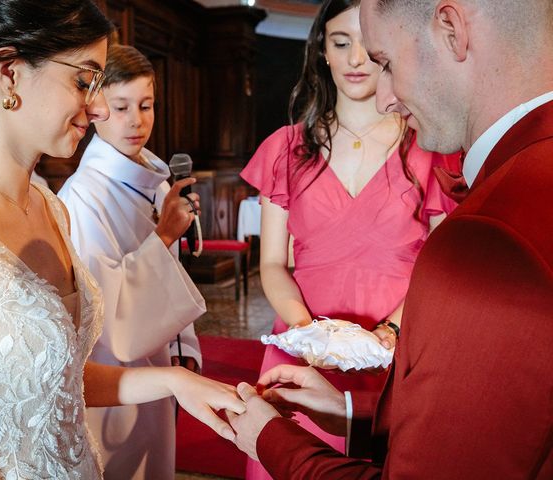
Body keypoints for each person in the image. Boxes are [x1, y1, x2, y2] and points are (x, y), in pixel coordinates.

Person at [0, 2, 245, 478]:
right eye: (83, 81)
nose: (101, 107)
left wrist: (173, 380)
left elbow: (51, 383)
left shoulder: (49, 207)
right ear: (9, 74)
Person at [227, 0, 553, 477]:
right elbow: (492, 430)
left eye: (386, 61)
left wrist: (275, 440)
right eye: (344, 46)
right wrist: (357, 410)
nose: (385, 98)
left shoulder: (491, 237)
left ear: (451, 29)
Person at [240, 0, 457, 476]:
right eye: (341, 43)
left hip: (397, 347)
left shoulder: (430, 146)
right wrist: (309, 335)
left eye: (368, 45)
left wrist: (389, 332)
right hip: (299, 344)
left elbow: (441, 264)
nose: (357, 59)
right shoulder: (285, 147)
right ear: (322, 51)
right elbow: (273, 264)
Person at [58, 44, 204, 480]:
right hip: (112, 375)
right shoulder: (84, 197)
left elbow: (171, 277)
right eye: (121, 107)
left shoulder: (154, 181)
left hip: (157, 358)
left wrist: (187, 347)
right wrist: (163, 236)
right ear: (96, 109)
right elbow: (108, 314)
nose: (137, 120)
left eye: (146, 105)